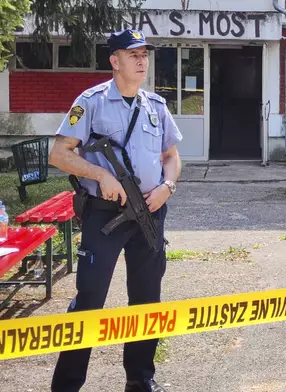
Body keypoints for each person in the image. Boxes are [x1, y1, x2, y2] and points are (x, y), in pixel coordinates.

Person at [48, 29, 182, 392]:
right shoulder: (90, 102)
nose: (142, 61)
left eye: (145, 55)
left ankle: (140, 379)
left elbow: (171, 157)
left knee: (146, 298)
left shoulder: (156, 105)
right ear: (114, 60)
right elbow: (59, 153)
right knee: (89, 299)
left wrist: (167, 188)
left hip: (150, 214)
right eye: (133, 54)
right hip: (104, 214)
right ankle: (67, 385)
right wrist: (100, 174)